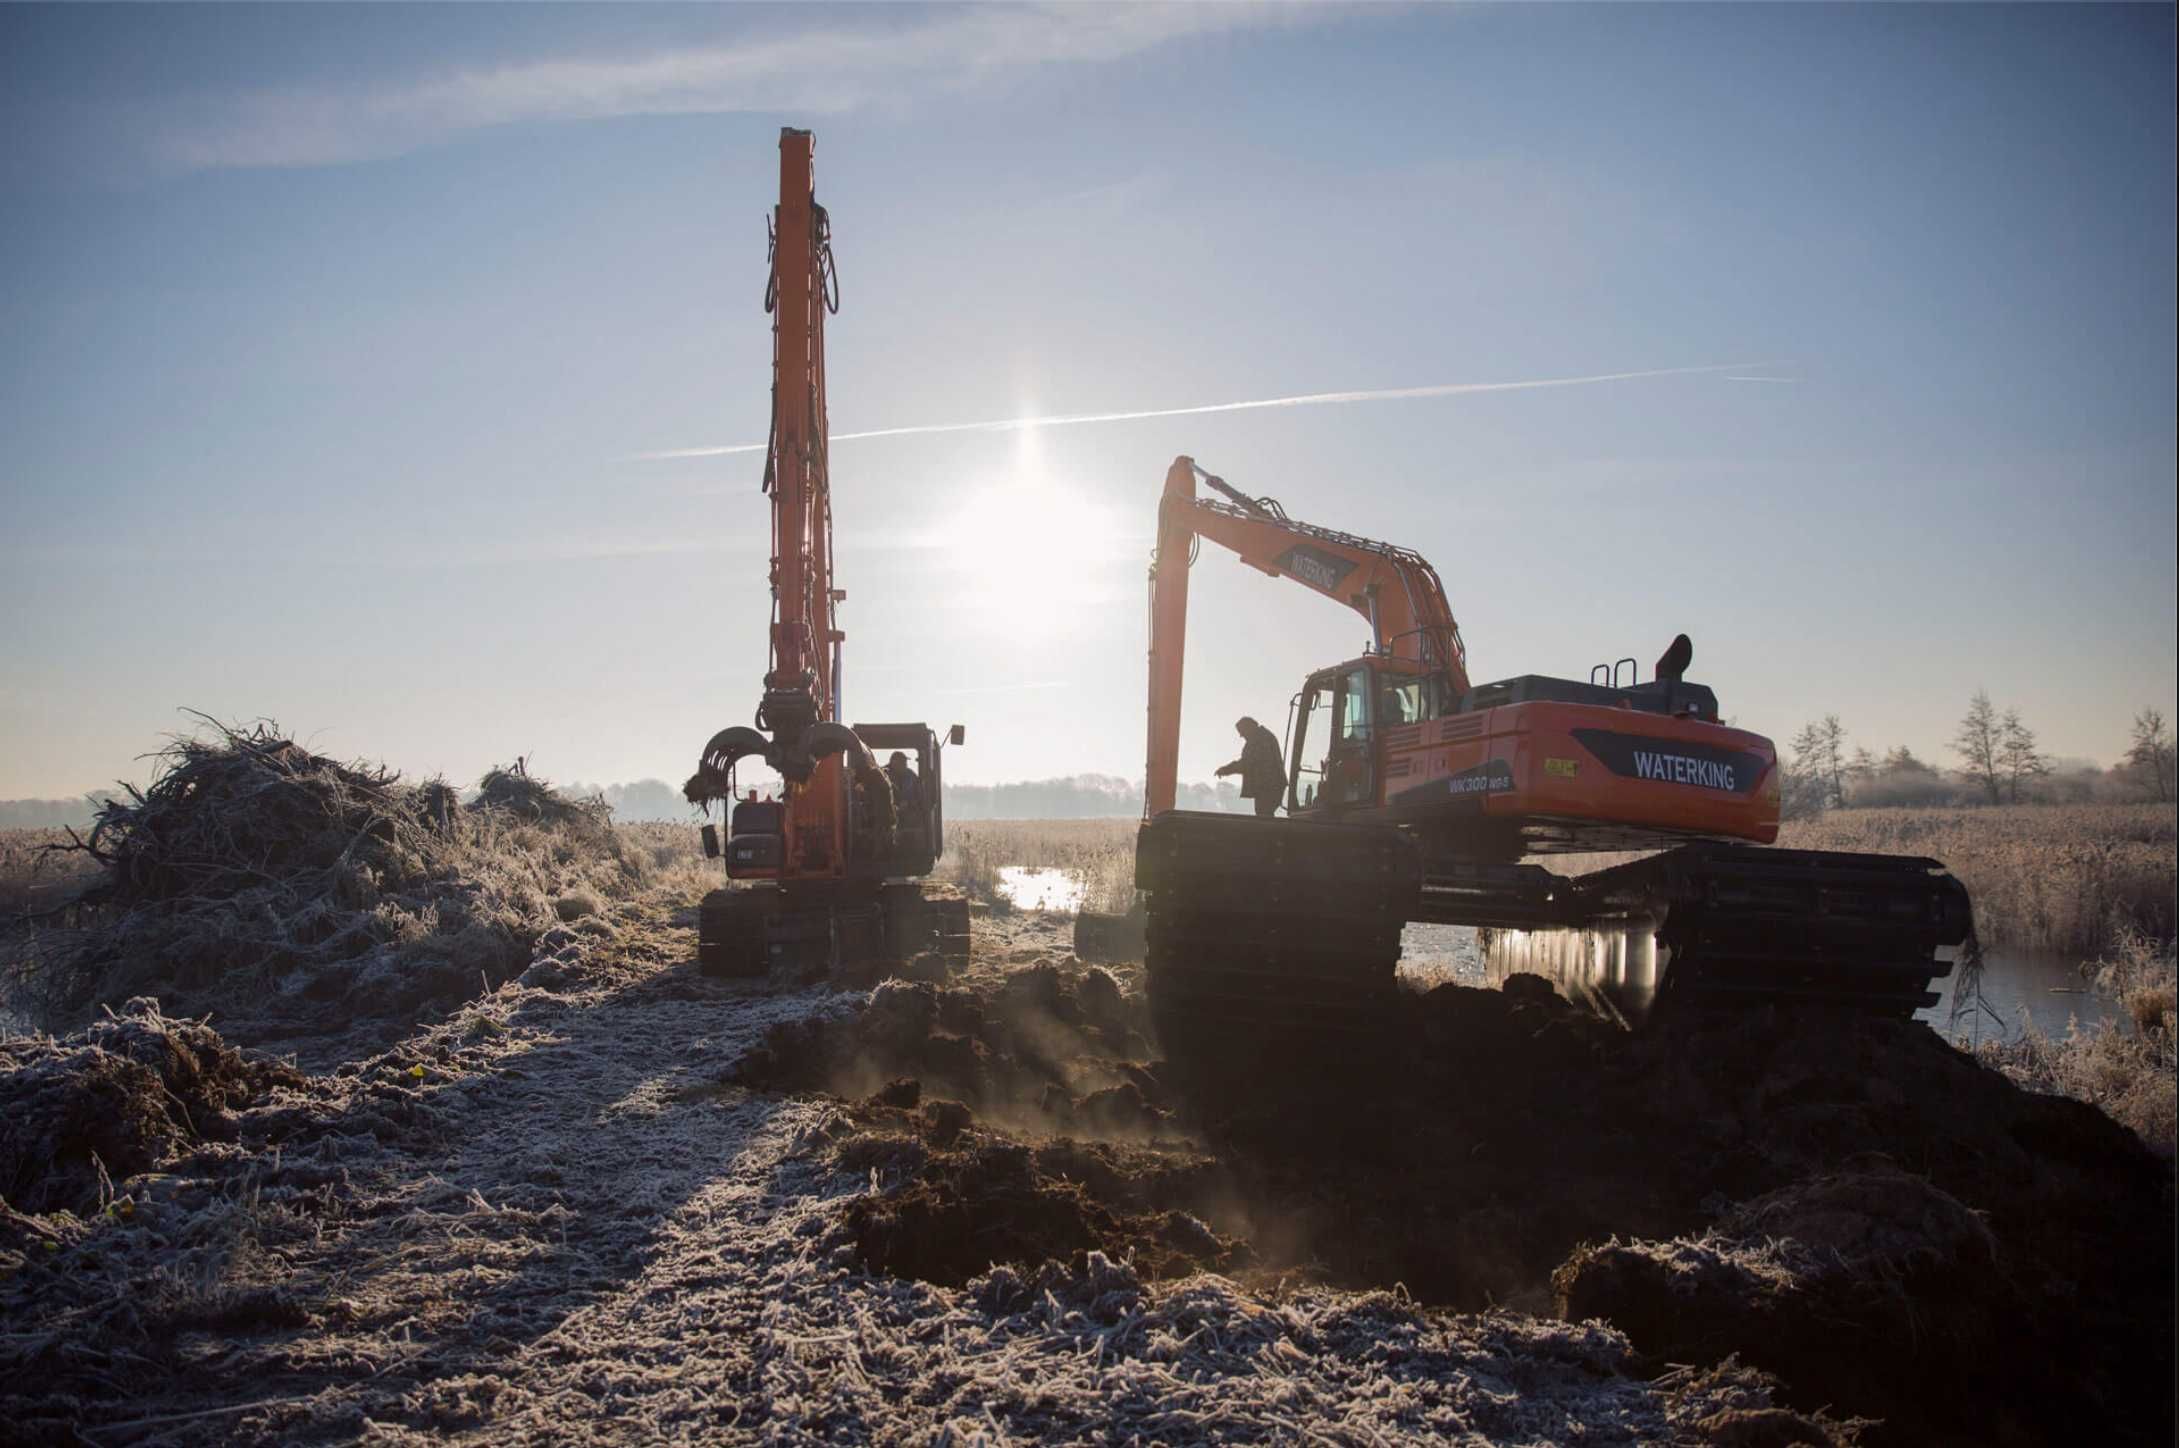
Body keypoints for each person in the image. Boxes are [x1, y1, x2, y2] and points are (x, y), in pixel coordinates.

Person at [1215, 716, 1286, 818]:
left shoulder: (1259, 740)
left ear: (1249, 728)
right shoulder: (1263, 737)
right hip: (1270, 786)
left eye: (1242, 732)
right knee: (1264, 816)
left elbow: (1246, 763)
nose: (1241, 736)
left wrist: (1225, 770)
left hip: (1267, 787)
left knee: (1263, 817)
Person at [885, 751, 922, 819]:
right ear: (893, 762)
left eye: (905, 762)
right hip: (887, 816)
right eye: (902, 762)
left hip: (909, 816)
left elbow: (919, 796)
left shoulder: (911, 775)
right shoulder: (883, 774)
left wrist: (909, 804)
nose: (905, 765)